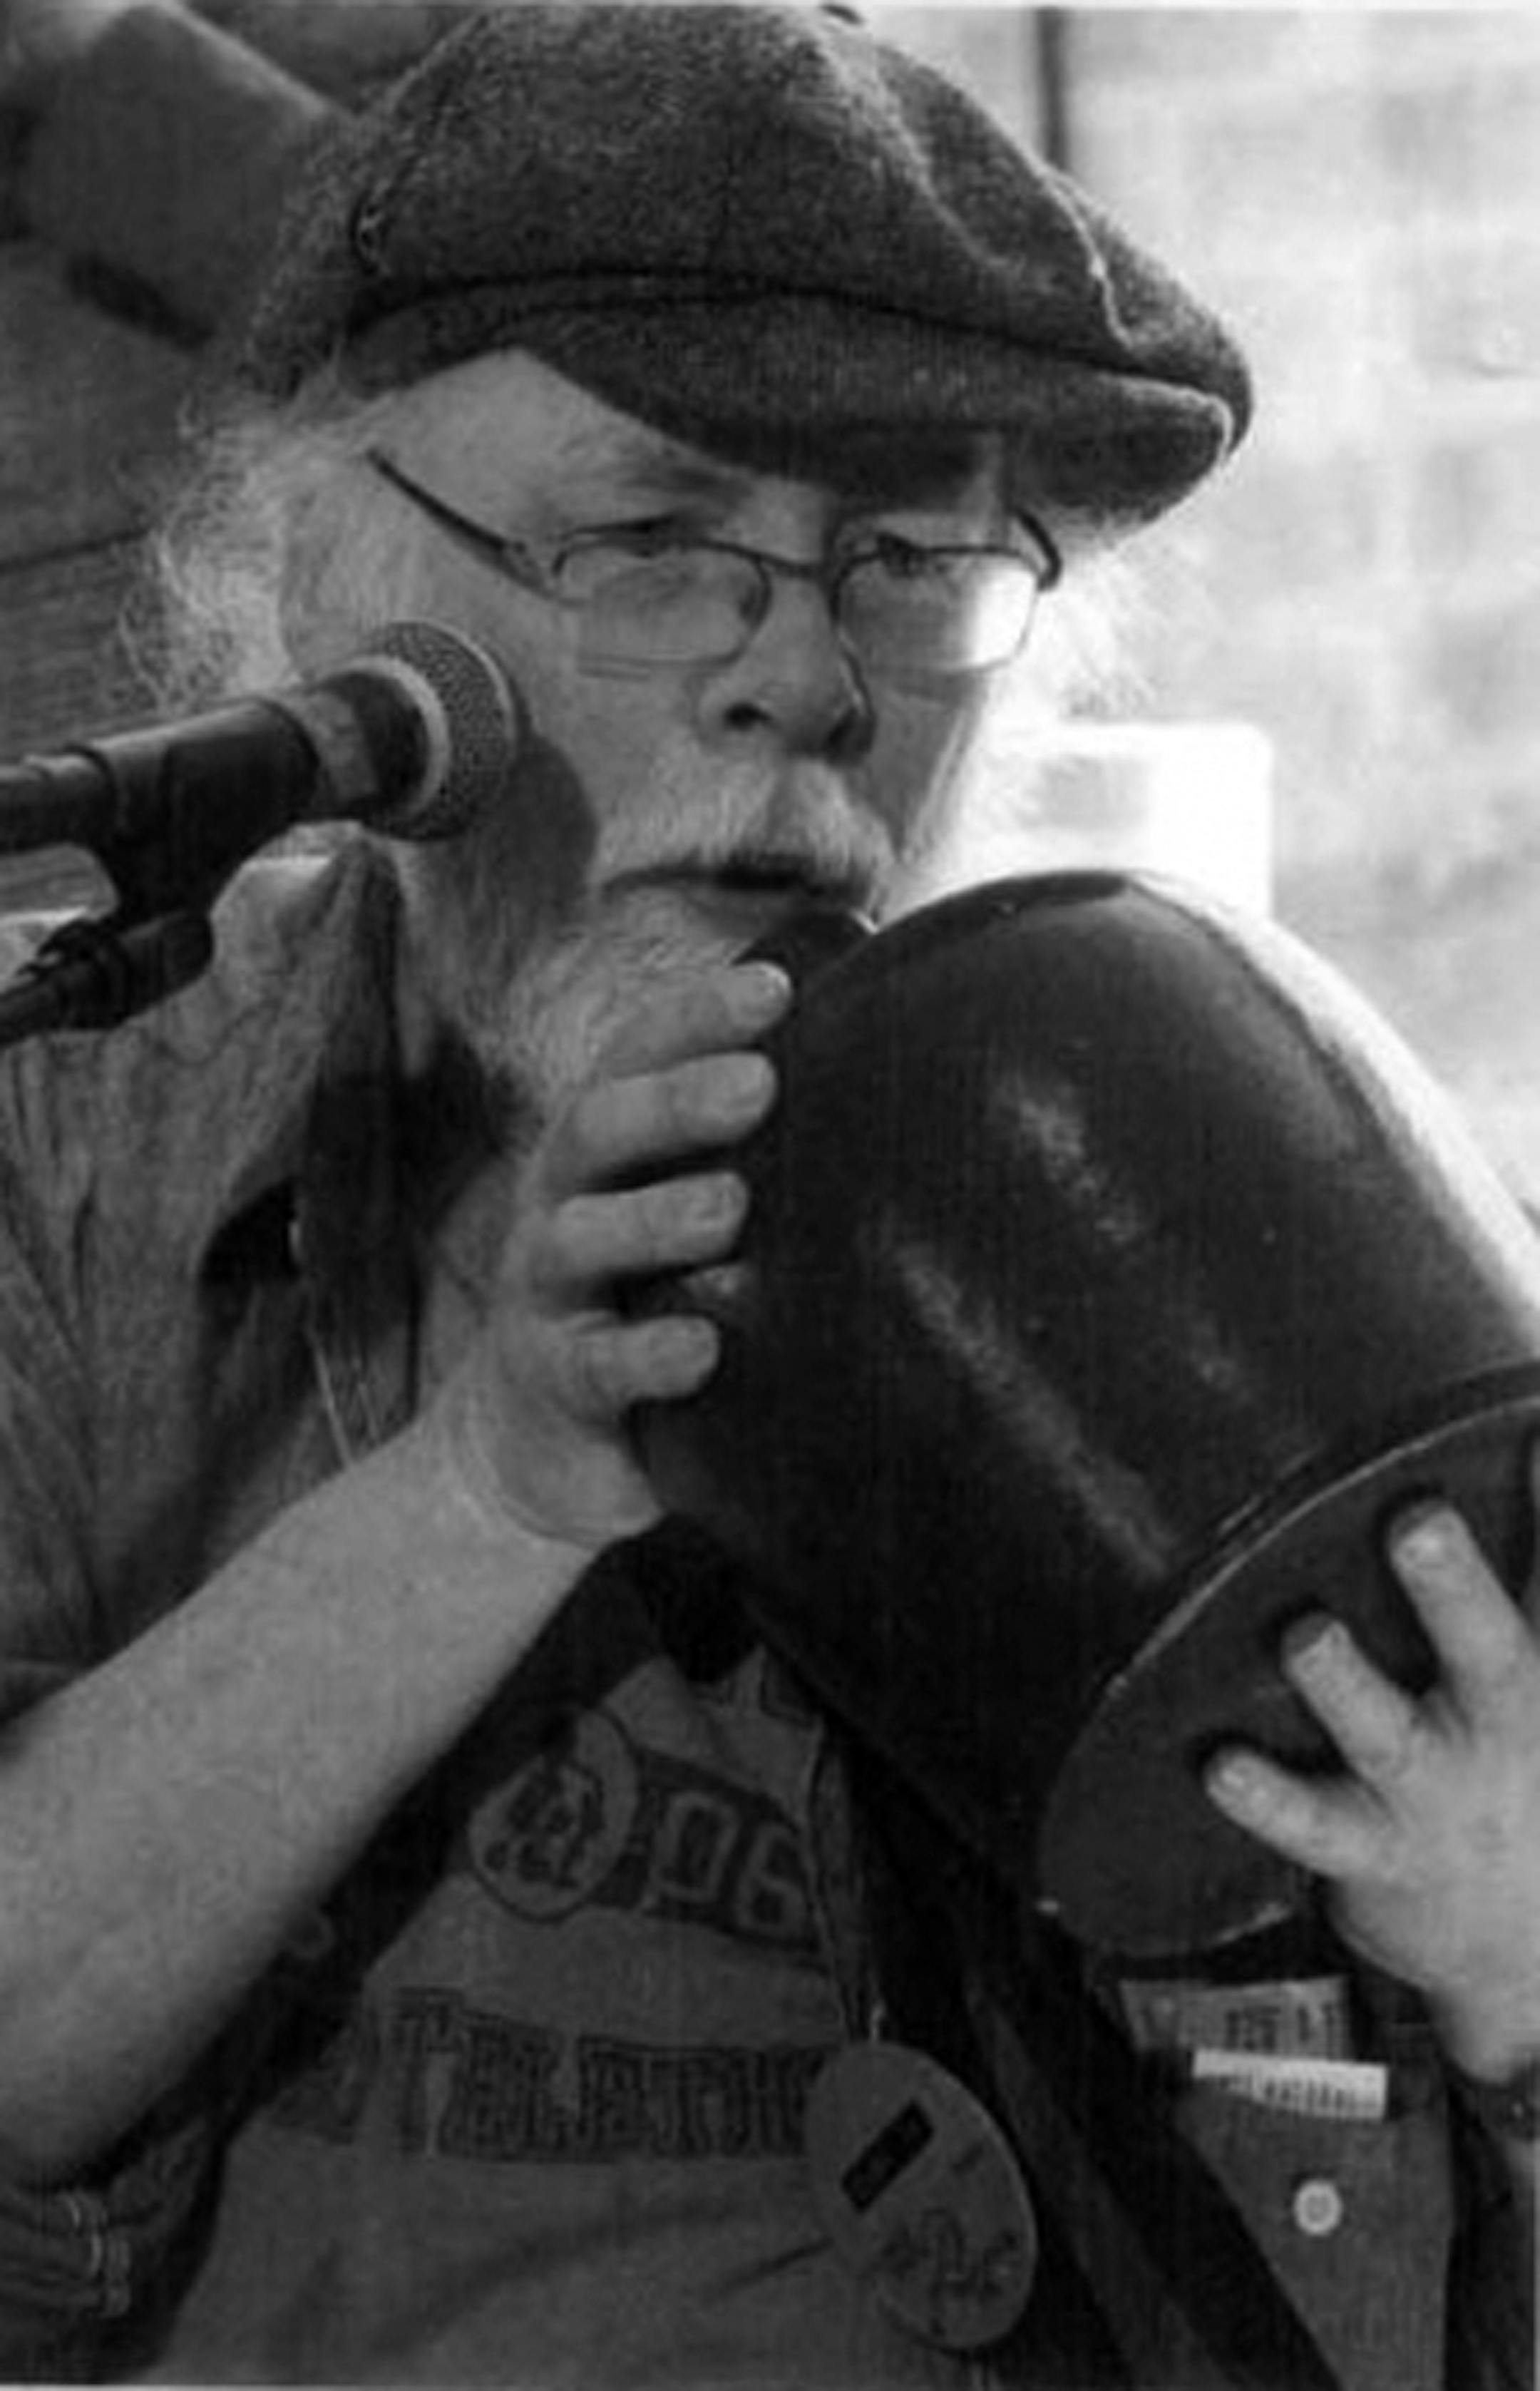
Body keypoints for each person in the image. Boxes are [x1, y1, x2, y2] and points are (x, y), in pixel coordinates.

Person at [0, 6, 1534, 2385]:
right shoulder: (69, 1125)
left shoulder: (1255, 1200)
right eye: (648, 537)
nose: (806, 676)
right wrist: (491, 1485)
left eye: (906, 562)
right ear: (331, 590)